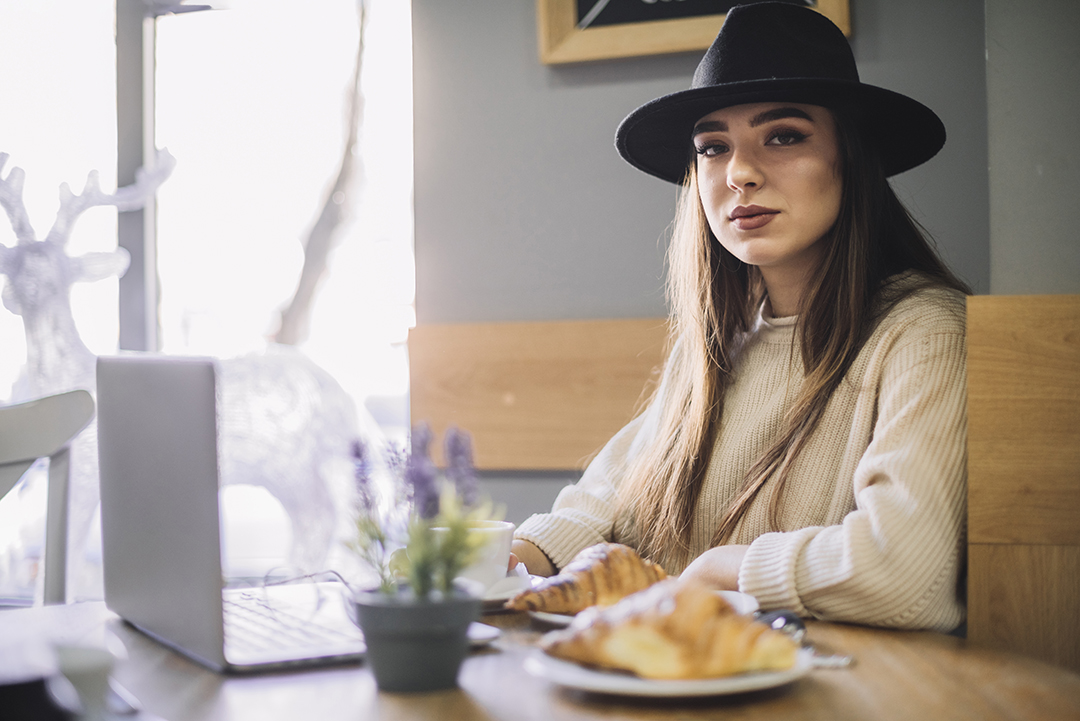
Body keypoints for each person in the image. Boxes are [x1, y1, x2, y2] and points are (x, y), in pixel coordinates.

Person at [510, 2, 970, 632]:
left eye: (783, 135)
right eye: (712, 147)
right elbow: (602, 503)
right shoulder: (715, 343)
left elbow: (906, 574)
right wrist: (503, 562)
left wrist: (721, 569)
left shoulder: (924, 332)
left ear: (852, 155)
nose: (740, 173)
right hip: (672, 676)